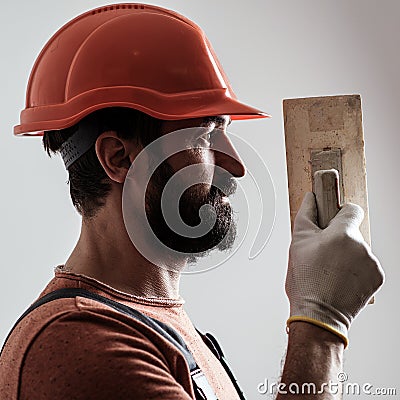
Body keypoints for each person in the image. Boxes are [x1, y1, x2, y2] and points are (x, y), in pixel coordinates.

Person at [0, 4, 384, 400]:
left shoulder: (151, 326)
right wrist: (320, 324)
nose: (236, 166)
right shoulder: (82, 343)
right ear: (118, 157)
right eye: (204, 136)